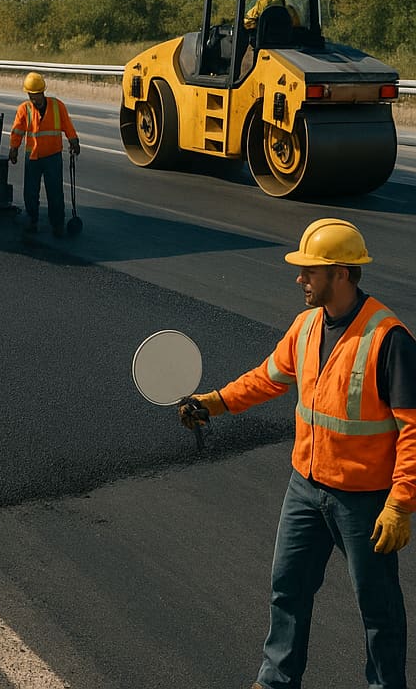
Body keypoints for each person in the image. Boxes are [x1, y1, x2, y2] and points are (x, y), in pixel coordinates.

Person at [179, 218, 416, 689]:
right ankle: (276, 681)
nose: (299, 279)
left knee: (378, 608)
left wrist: (400, 503)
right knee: (288, 589)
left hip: (364, 501)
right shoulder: (306, 326)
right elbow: (268, 377)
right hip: (305, 489)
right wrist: (216, 401)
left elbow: (414, 429)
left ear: (341, 274)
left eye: (309, 271)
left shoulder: (388, 339)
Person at [8, 72, 79, 237]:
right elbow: (17, 131)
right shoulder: (24, 109)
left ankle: (58, 225)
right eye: (31, 95)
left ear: (43, 92)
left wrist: (74, 140)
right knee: (30, 193)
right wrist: (14, 148)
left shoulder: (57, 106)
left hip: (52, 156)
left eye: (37, 95)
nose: (34, 99)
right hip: (32, 157)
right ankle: (32, 222)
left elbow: (67, 125)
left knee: (55, 193)